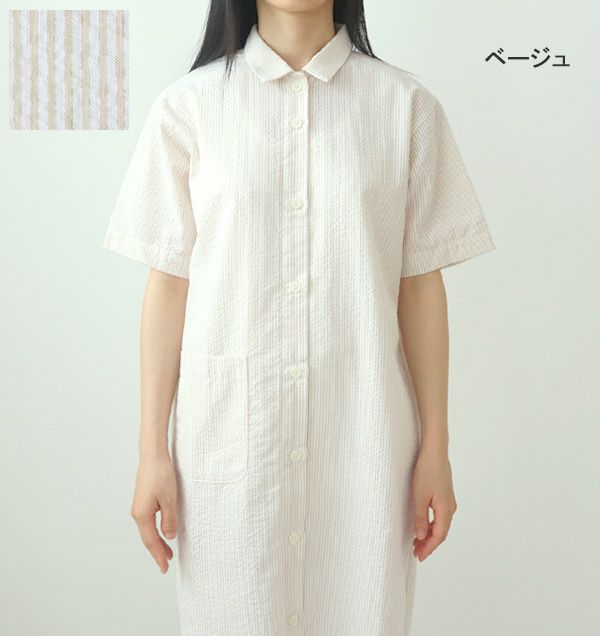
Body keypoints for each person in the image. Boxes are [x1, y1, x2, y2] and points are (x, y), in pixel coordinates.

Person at [102, 1, 495, 634]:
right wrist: (151, 451)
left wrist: (436, 449)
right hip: (229, 447)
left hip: (364, 442)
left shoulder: (405, 107)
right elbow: (169, 285)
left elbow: (420, 287)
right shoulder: (189, 108)